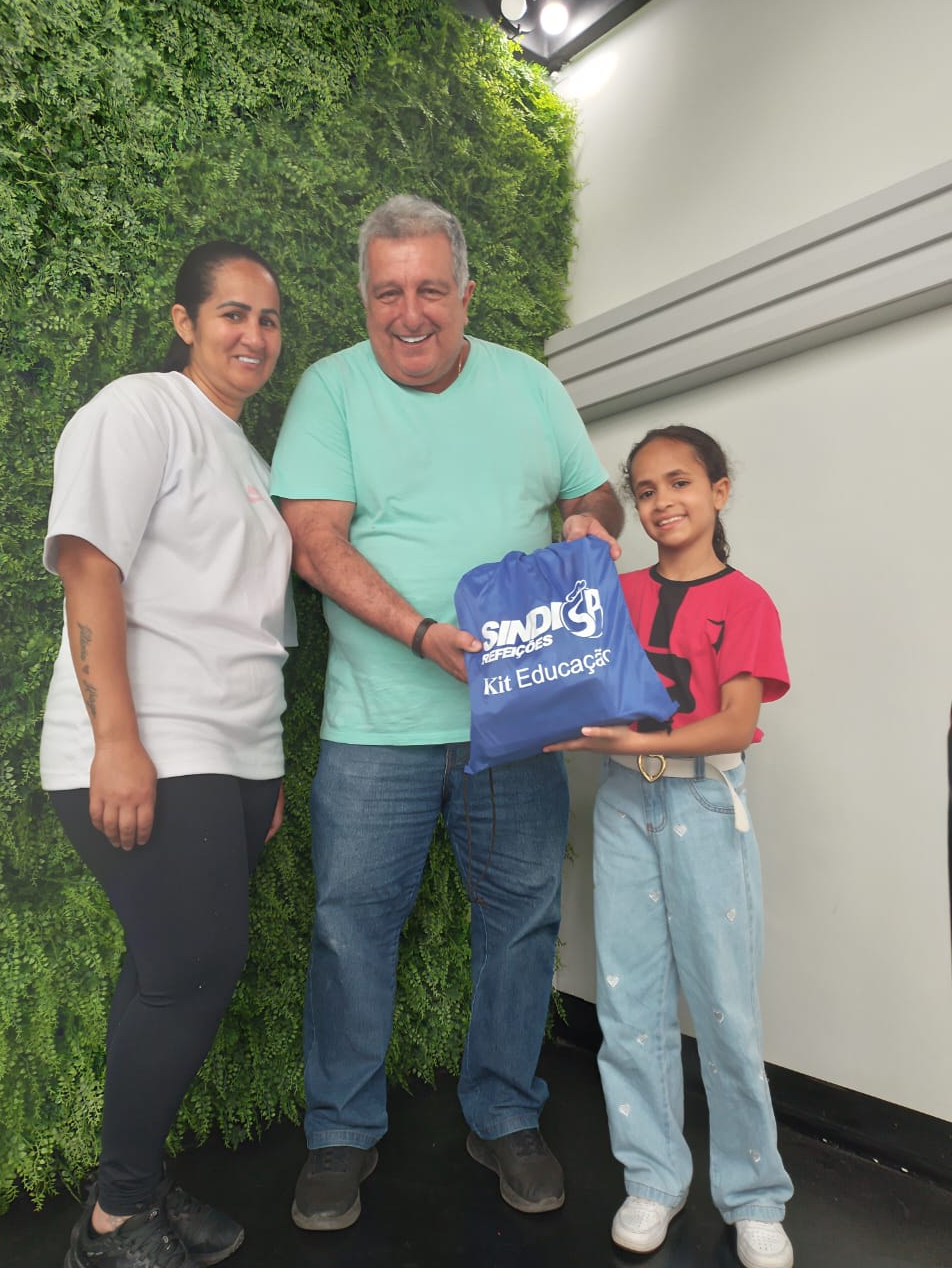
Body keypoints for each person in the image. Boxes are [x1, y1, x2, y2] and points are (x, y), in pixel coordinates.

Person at [270, 193, 624, 1230]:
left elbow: (595, 494)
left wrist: (588, 521)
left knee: (522, 920)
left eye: (431, 288)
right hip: (374, 724)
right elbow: (315, 543)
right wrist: (423, 633)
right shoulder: (331, 389)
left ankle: (505, 1112)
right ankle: (341, 1131)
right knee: (350, 929)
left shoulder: (530, 385)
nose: (410, 312)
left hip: (515, 721)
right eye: (389, 291)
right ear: (364, 296)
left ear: (467, 292)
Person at [41, 240, 294, 1268]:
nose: (254, 335)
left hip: (229, 753)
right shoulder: (141, 410)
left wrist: (264, 770)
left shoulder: (252, 461)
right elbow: (89, 567)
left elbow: (250, 624)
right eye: (232, 313)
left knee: (165, 969)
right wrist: (116, 741)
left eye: (268, 319)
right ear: (186, 321)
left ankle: (131, 1185)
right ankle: (114, 1221)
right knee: (194, 969)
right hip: (151, 739)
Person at [546, 425, 794, 1268]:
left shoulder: (746, 600)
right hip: (626, 805)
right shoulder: (614, 592)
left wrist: (633, 743)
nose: (661, 503)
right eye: (645, 490)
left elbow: (736, 723)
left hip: (705, 804)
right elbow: (564, 668)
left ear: (719, 490)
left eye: (680, 482)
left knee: (725, 1005)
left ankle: (755, 1196)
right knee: (628, 1003)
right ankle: (653, 1177)